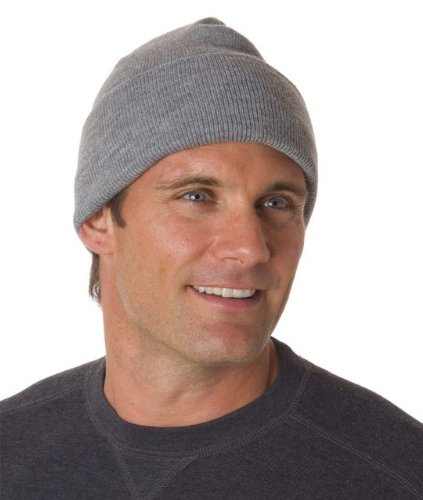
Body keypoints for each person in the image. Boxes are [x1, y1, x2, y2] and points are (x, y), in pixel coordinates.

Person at [1, 17, 422, 499]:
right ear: (99, 219)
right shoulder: (11, 449)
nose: (251, 247)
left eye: (276, 203)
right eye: (197, 196)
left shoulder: (398, 475)